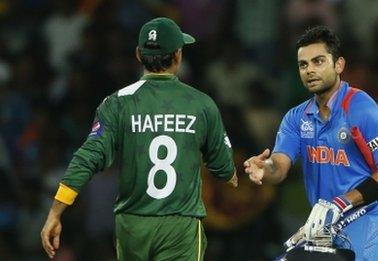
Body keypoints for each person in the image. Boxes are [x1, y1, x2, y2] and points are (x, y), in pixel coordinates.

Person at [41, 17, 238, 261]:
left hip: (132, 226)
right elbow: (223, 169)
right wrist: (235, 176)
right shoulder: (201, 103)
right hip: (179, 225)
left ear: (138, 54)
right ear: (177, 55)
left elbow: (86, 158)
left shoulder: (116, 103)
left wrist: (55, 212)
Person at [244, 26, 378, 260]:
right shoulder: (296, 118)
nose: (309, 70)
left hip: (369, 222)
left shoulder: (361, 107)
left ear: (339, 65)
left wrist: (340, 203)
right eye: (303, 64)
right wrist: (264, 167)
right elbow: (279, 168)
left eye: (318, 61)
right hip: (323, 227)